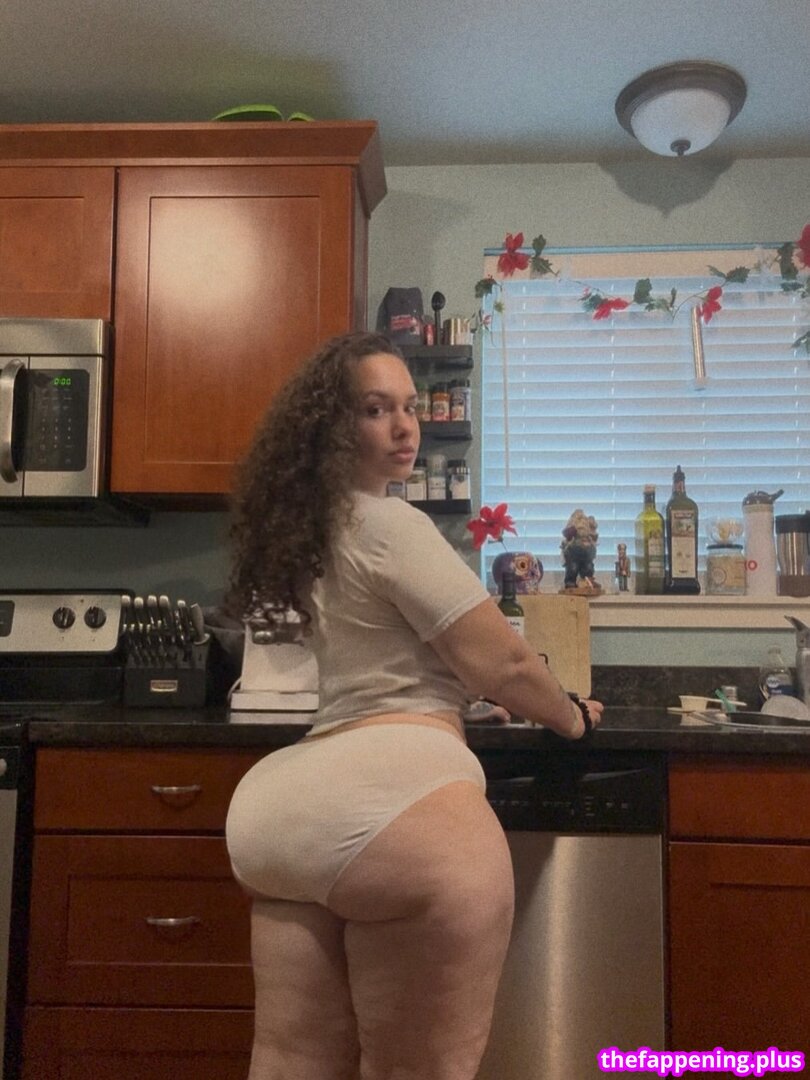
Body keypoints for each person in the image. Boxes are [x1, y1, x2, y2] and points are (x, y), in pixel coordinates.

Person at [224, 331, 604, 1080]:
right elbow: (504, 661)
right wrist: (570, 715)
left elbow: (388, 666)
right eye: (375, 410)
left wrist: (463, 702)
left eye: (408, 407)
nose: (403, 427)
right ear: (333, 427)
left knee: (291, 1060)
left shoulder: (309, 534)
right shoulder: (391, 523)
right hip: (399, 811)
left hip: (282, 816)